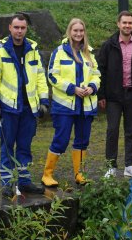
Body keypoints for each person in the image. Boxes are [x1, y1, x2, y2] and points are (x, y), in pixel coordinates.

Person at [0, 13, 50, 197]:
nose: (19, 31)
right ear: (10, 28)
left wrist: (44, 101)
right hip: (8, 108)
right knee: (7, 147)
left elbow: (40, 76)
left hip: (29, 108)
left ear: (26, 29)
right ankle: (7, 182)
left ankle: (24, 181)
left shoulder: (33, 50)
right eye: (16, 27)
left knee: (24, 145)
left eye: (22, 28)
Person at [42, 18, 101, 187]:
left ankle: (79, 174)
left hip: (86, 105)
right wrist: (72, 88)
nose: (78, 34)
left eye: (81, 31)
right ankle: (47, 174)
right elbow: (52, 76)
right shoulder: (59, 52)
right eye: (75, 30)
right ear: (69, 32)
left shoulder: (89, 52)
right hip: (65, 106)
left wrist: (92, 87)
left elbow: (97, 75)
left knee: (82, 140)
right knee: (61, 139)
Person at [97, 11, 132, 178]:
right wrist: (101, 95)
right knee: (112, 130)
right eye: (124, 23)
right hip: (114, 95)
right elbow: (101, 70)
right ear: (118, 24)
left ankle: (129, 165)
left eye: (130, 23)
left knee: (130, 132)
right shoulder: (109, 45)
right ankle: (111, 166)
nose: (127, 26)